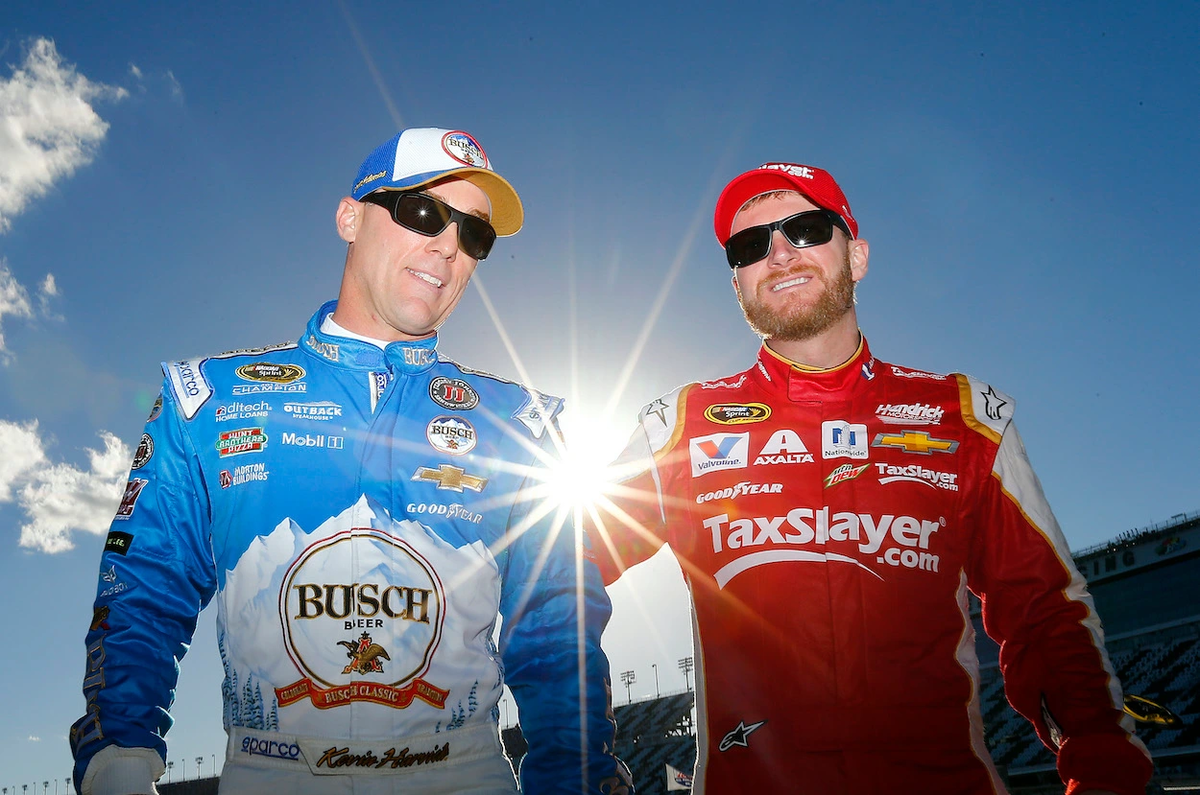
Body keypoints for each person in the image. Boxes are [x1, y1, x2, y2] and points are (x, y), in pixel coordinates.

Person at [70, 127, 633, 795]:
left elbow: (558, 634)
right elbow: (143, 591)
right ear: (349, 217)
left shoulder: (522, 425)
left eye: (474, 234)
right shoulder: (207, 401)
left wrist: (578, 778)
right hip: (271, 771)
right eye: (423, 211)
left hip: (467, 772)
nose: (448, 245)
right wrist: (118, 762)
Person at [585, 162, 1152, 794]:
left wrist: (1104, 765)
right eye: (749, 246)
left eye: (805, 229)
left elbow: (1044, 609)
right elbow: (555, 573)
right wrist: (576, 754)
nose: (779, 254)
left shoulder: (965, 417)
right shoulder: (678, 425)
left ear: (856, 257)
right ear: (738, 282)